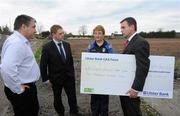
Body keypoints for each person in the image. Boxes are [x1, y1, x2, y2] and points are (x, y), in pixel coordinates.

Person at [0, 14, 40, 116]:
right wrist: (18, 88)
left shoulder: (18, 40)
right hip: (23, 91)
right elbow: (7, 68)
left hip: (24, 88)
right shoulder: (17, 43)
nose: (35, 30)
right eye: (33, 27)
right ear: (23, 27)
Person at [40, 25, 84, 116]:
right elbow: (43, 65)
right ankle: (61, 113)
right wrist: (46, 79)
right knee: (57, 98)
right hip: (55, 78)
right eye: (60, 33)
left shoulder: (67, 45)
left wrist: (72, 73)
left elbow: (70, 61)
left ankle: (74, 112)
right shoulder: (47, 47)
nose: (63, 35)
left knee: (72, 96)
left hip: (69, 77)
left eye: (63, 33)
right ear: (53, 34)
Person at [119, 17, 150, 116]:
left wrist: (135, 88)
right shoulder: (131, 42)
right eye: (121, 28)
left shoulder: (140, 42)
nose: (121, 30)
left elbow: (142, 67)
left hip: (132, 90)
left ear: (132, 27)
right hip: (126, 86)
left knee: (133, 112)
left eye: (123, 27)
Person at [86, 25, 113, 116]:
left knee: (104, 99)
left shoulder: (108, 46)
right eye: (95, 33)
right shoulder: (91, 46)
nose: (97, 35)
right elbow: (87, 61)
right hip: (94, 78)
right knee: (94, 99)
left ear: (103, 35)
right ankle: (95, 113)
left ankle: (104, 113)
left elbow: (113, 61)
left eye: (99, 33)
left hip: (105, 78)